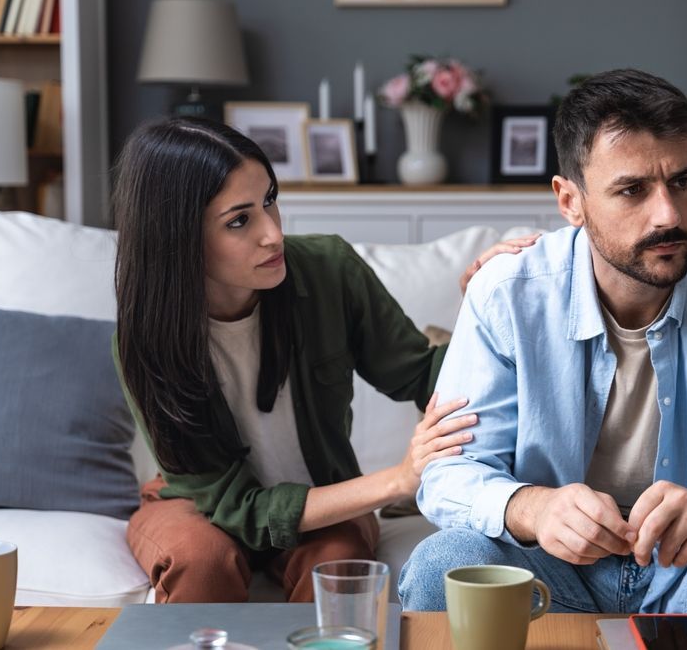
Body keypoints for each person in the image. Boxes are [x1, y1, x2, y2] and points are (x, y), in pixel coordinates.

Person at [399, 69, 687, 648]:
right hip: (551, 568)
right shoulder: (506, 294)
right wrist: (534, 508)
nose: (669, 215)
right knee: (441, 563)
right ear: (570, 200)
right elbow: (451, 473)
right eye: (633, 190)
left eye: (684, 181)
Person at [112, 116, 535, 603]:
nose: (272, 234)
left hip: (325, 496)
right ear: (178, 238)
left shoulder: (329, 270)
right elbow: (239, 509)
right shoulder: (145, 342)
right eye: (239, 220)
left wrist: (483, 305)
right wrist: (398, 479)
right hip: (199, 505)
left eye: (269, 201)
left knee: (336, 568)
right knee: (201, 561)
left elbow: (422, 376)